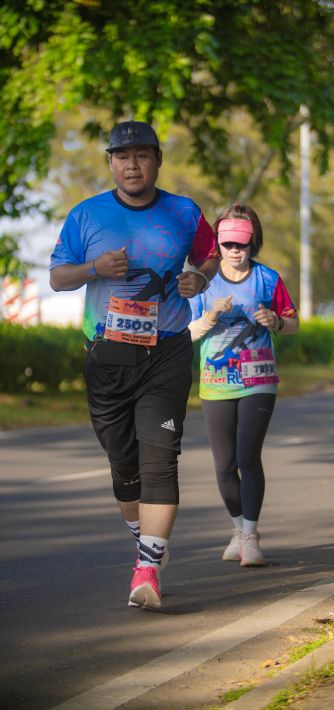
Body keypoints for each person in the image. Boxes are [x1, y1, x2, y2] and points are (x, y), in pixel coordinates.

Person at [50, 120, 219, 609]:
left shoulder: (184, 212)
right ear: (110, 163)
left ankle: (148, 569)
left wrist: (200, 280)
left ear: (157, 160)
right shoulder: (86, 215)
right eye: (122, 157)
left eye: (142, 155)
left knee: (160, 458)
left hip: (166, 351)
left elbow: (209, 257)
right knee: (123, 465)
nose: (132, 165)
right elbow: (58, 277)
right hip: (107, 355)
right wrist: (94, 269)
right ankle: (146, 540)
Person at [189, 203, 299, 566]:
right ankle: (238, 530)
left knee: (247, 457)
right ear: (217, 243)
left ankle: (250, 537)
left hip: (258, 380)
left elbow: (293, 322)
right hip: (216, 382)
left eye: (243, 244)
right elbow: (187, 332)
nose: (236, 251)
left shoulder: (268, 279)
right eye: (228, 244)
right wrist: (210, 317)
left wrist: (276, 321)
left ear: (254, 242)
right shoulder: (202, 282)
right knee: (224, 464)